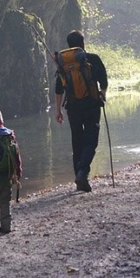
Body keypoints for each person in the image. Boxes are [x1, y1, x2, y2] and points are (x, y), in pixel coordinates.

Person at [54, 30, 108, 193]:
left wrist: (58, 111)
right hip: (91, 105)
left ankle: (78, 176)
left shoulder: (63, 65)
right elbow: (104, 81)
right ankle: (83, 172)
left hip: (73, 107)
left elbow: (58, 90)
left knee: (77, 140)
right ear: (83, 43)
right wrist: (102, 95)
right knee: (91, 140)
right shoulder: (93, 59)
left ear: (69, 45)